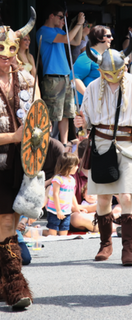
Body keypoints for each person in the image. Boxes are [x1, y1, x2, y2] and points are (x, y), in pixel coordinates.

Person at [74, 33, 132, 266]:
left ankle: (128, 249)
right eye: (108, 74)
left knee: (126, 196)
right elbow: (86, 122)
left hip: (129, 145)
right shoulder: (93, 87)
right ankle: (106, 243)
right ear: (101, 71)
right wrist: (81, 123)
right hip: (102, 145)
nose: (114, 78)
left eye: (118, 73)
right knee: (103, 199)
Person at [0, 7, 36, 309]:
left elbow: (39, 118)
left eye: (11, 49)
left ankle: (10, 284)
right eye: (0, 51)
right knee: (3, 222)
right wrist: (13, 136)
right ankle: (13, 285)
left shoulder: (26, 77)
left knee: (9, 220)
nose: (6, 56)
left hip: (18, 163)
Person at [36, 5, 85, 146]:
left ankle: (63, 144)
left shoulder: (57, 30)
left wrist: (79, 24)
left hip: (65, 76)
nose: (62, 19)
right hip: (53, 77)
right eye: (60, 16)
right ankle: (50, 144)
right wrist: (79, 24)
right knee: (52, 114)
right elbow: (66, 38)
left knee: (66, 113)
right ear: (51, 16)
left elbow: (75, 41)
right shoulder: (43, 31)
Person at [71, 25, 112, 106]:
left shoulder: (105, 56)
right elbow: (74, 77)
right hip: (87, 105)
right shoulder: (87, 56)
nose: (112, 38)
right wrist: (89, 95)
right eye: (108, 36)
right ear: (99, 38)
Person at [46, 152, 80, 236]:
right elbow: (55, 194)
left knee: (63, 232)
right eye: (75, 165)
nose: (77, 167)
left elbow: (72, 194)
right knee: (52, 233)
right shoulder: (58, 178)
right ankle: (43, 233)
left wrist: (77, 207)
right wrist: (58, 210)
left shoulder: (72, 179)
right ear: (68, 166)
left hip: (67, 210)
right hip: (55, 210)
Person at [17, 33, 41, 100]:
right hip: (21, 87)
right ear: (19, 41)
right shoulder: (15, 56)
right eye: (25, 39)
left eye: (29, 40)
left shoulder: (30, 57)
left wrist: (36, 89)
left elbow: (34, 74)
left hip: (30, 87)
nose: (28, 42)